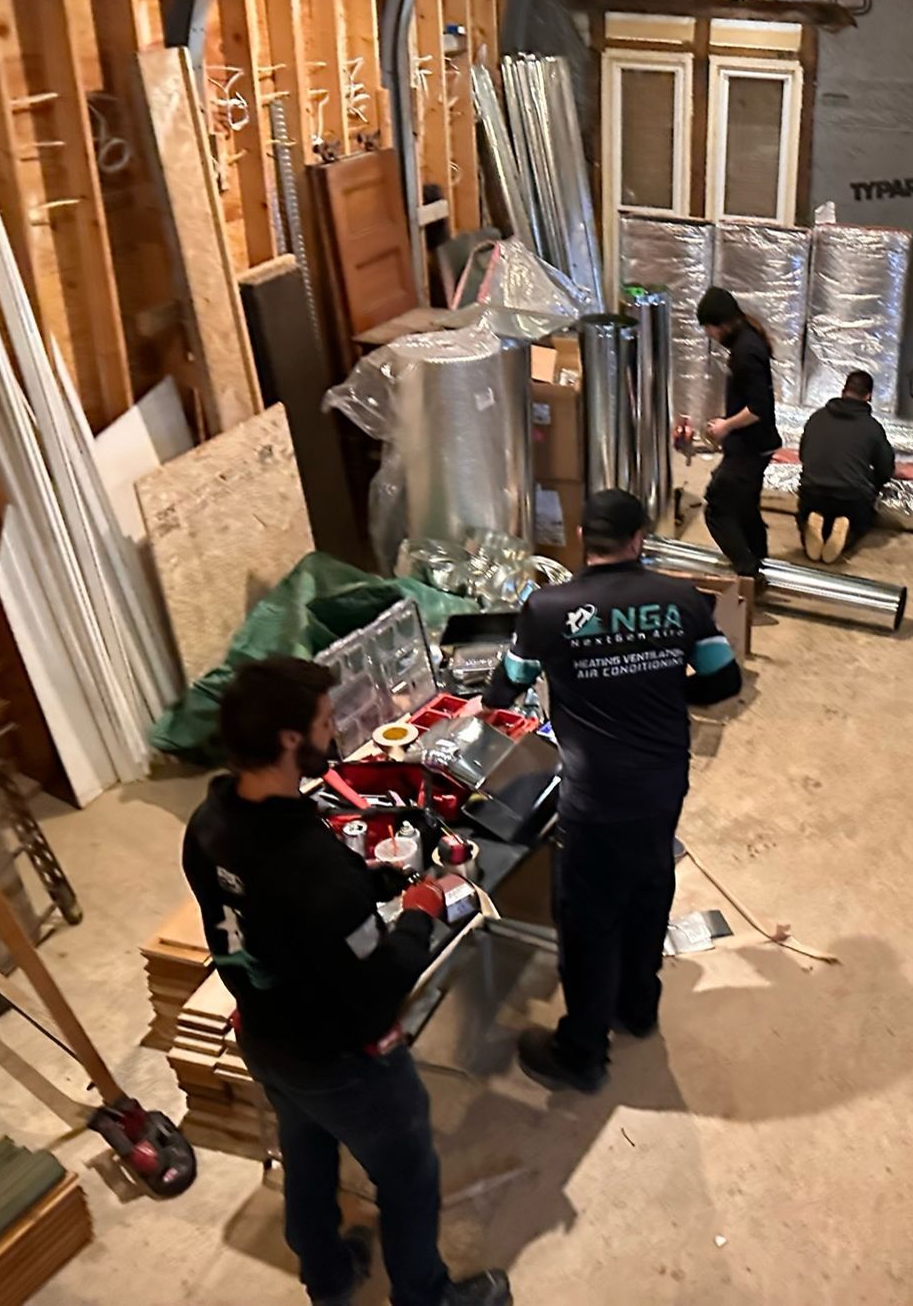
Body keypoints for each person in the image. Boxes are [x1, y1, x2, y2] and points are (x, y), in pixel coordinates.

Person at [182, 658, 510, 1306]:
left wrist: (371, 885)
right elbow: (374, 992)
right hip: (342, 1059)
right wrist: (419, 910)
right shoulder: (311, 870)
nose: (334, 736)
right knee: (409, 1173)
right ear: (286, 739)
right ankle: (425, 1295)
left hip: (267, 1035)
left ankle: (327, 1276)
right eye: (326, 723)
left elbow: (277, 917)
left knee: (307, 1151)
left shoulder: (208, 826)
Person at [480, 490, 743, 1093]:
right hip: (660, 786)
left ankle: (582, 1053)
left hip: (593, 801)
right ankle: (637, 1007)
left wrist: (504, 700)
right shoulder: (680, 600)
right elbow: (724, 681)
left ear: (581, 536)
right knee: (650, 889)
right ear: (639, 539)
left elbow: (506, 685)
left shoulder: (547, 608)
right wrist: (667, 695)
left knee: (588, 922)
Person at [697, 287, 781, 581]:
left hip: (750, 448)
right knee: (745, 509)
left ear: (722, 322)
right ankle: (760, 562)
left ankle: (749, 573)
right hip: (754, 445)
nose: (709, 334)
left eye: (709, 327)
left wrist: (726, 426)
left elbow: (758, 408)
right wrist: (726, 421)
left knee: (717, 509)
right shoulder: (746, 341)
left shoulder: (747, 351)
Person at [796, 368, 895, 563]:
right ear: (868, 396)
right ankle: (847, 530)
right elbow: (885, 469)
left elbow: (803, 455)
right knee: (863, 520)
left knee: (804, 514)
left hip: (812, 493)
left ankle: (810, 524)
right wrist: (873, 482)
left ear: (843, 391)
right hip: (850, 498)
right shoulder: (872, 427)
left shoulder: (817, 417)